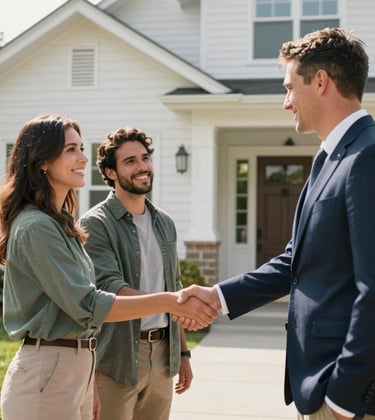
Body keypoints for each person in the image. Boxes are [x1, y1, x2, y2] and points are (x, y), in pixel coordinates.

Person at [179, 27, 375, 420]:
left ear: (320, 82)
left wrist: (344, 397)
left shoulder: (366, 158)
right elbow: (296, 263)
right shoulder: (329, 160)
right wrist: (218, 297)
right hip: (315, 387)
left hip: (343, 397)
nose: (285, 102)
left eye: (289, 87)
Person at [0, 114, 217, 420]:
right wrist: (173, 302)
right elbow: (89, 303)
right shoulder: (37, 227)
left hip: (76, 365)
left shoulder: (62, 224)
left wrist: (88, 380)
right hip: (49, 370)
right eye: (71, 150)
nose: (82, 157)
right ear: (42, 162)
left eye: (80, 148)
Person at [78, 127, 192, 420]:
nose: (142, 166)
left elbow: (174, 285)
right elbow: (111, 289)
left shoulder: (164, 222)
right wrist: (172, 301)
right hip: (117, 357)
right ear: (111, 172)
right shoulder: (95, 224)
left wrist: (183, 353)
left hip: (164, 354)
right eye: (130, 161)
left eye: (145, 158)